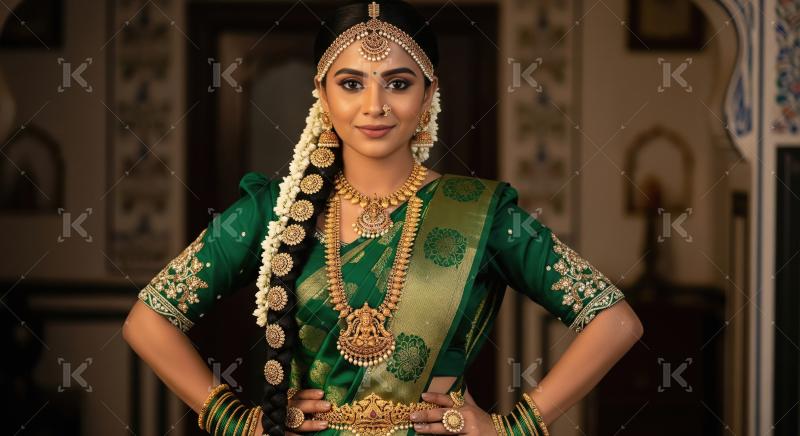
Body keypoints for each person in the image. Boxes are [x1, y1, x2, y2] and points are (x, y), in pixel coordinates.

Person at [123, 1, 644, 435]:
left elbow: (614, 321)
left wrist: (517, 427)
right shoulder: (273, 210)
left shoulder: (482, 214)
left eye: (398, 83)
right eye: (351, 84)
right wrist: (235, 422)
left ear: (428, 95)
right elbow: (148, 321)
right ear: (322, 96)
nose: (375, 105)